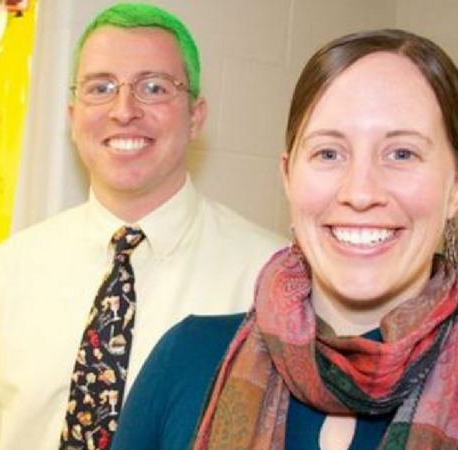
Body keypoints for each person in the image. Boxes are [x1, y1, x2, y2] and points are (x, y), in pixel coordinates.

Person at [0, 3, 283, 450]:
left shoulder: (269, 278)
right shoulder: (13, 268)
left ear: (196, 116)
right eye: (101, 87)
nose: (124, 110)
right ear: (73, 118)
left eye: (153, 87)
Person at [112, 28, 458, 450]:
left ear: (454, 188)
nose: (360, 192)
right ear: (288, 175)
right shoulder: (185, 361)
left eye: (402, 153)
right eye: (329, 153)